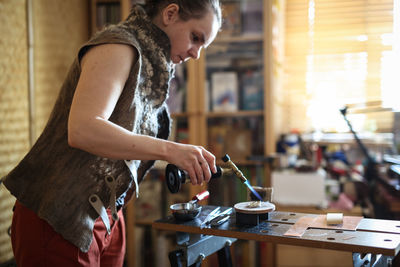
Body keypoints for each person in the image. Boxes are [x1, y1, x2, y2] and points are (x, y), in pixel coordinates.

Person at [2, 0, 222, 266]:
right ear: (171, 13)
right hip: (60, 215)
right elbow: (83, 129)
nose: (196, 54)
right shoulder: (118, 45)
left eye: (203, 45)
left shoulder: (153, 68)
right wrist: (171, 149)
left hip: (107, 216)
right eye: (195, 37)